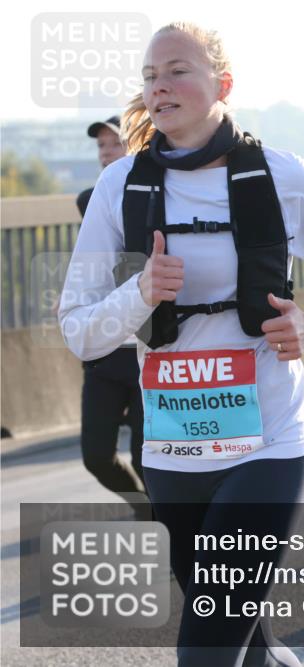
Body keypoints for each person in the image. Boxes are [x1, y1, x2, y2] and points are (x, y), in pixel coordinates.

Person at [58, 22, 304, 666]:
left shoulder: (280, 175)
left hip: (268, 442)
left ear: (223, 85)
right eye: (151, 76)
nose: (160, 86)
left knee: (206, 653)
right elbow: (78, 329)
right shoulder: (118, 187)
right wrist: (141, 294)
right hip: (173, 452)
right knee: (248, 648)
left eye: (178, 70)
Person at [75, 116, 150, 520]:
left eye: (115, 144)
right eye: (102, 146)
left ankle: (170, 531)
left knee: (147, 458)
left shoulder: (161, 202)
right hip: (105, 353)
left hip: (146, 351)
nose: (106, 152)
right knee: (97, 456)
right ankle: (145, 508)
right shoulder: (93, 201)